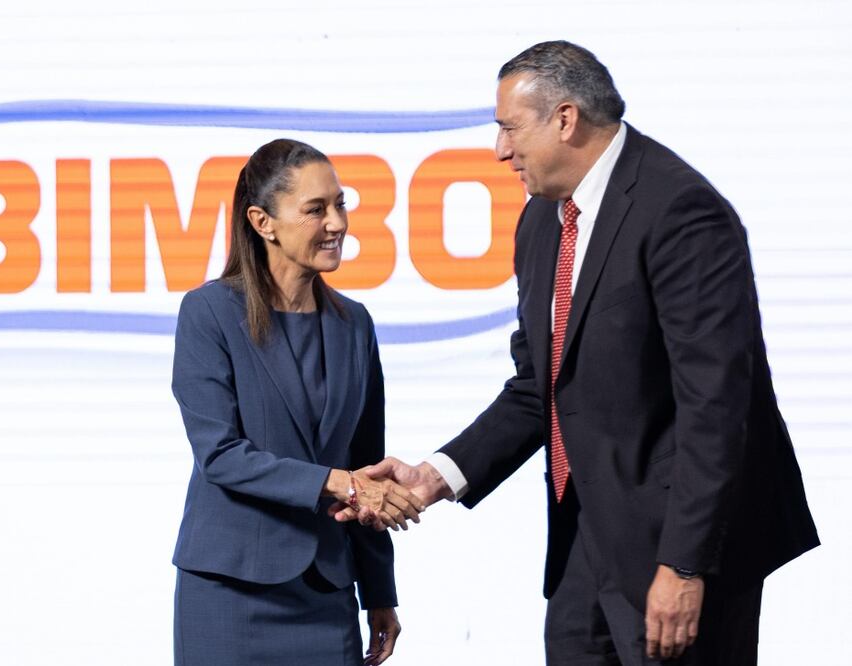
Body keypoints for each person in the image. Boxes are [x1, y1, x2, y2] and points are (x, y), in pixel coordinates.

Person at [336, 41, 819, 664]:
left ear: (565, 119)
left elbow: (716, 408)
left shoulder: (680, 211)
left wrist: (685, 565)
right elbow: (540, 388)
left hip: (679, 548)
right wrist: (433, 478)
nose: (500, 150)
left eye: (509, 128)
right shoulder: (541, 223)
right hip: (583, 544)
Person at [171, 138, 424, 666]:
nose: (336, 223)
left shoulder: (355, 323)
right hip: (230, 593)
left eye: (340, 204)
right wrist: (337, 483)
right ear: (263, 222)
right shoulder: (208, 312)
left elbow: (367, 467)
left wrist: (379, 592)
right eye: (315, 209)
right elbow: (220, 455)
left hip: (327, 595)